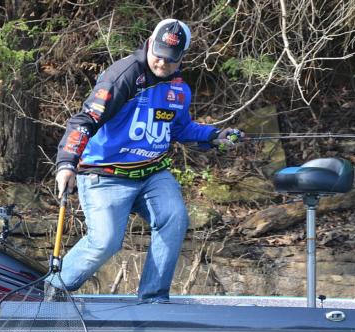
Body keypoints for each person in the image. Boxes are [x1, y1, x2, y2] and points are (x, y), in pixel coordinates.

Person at [52, 19, 242, 303]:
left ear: (182, 58)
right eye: (158, 53)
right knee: (106, 241)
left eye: (170, 59)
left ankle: (153, 300)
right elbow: (85, 120)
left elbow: (179, 130)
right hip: (105, 174)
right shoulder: (123, 76)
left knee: (174, 217)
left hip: (153, 174)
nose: (162, 63)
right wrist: (66, 163)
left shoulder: (179, 89)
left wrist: (214, 136)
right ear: (150, 42)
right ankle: (53, 290)